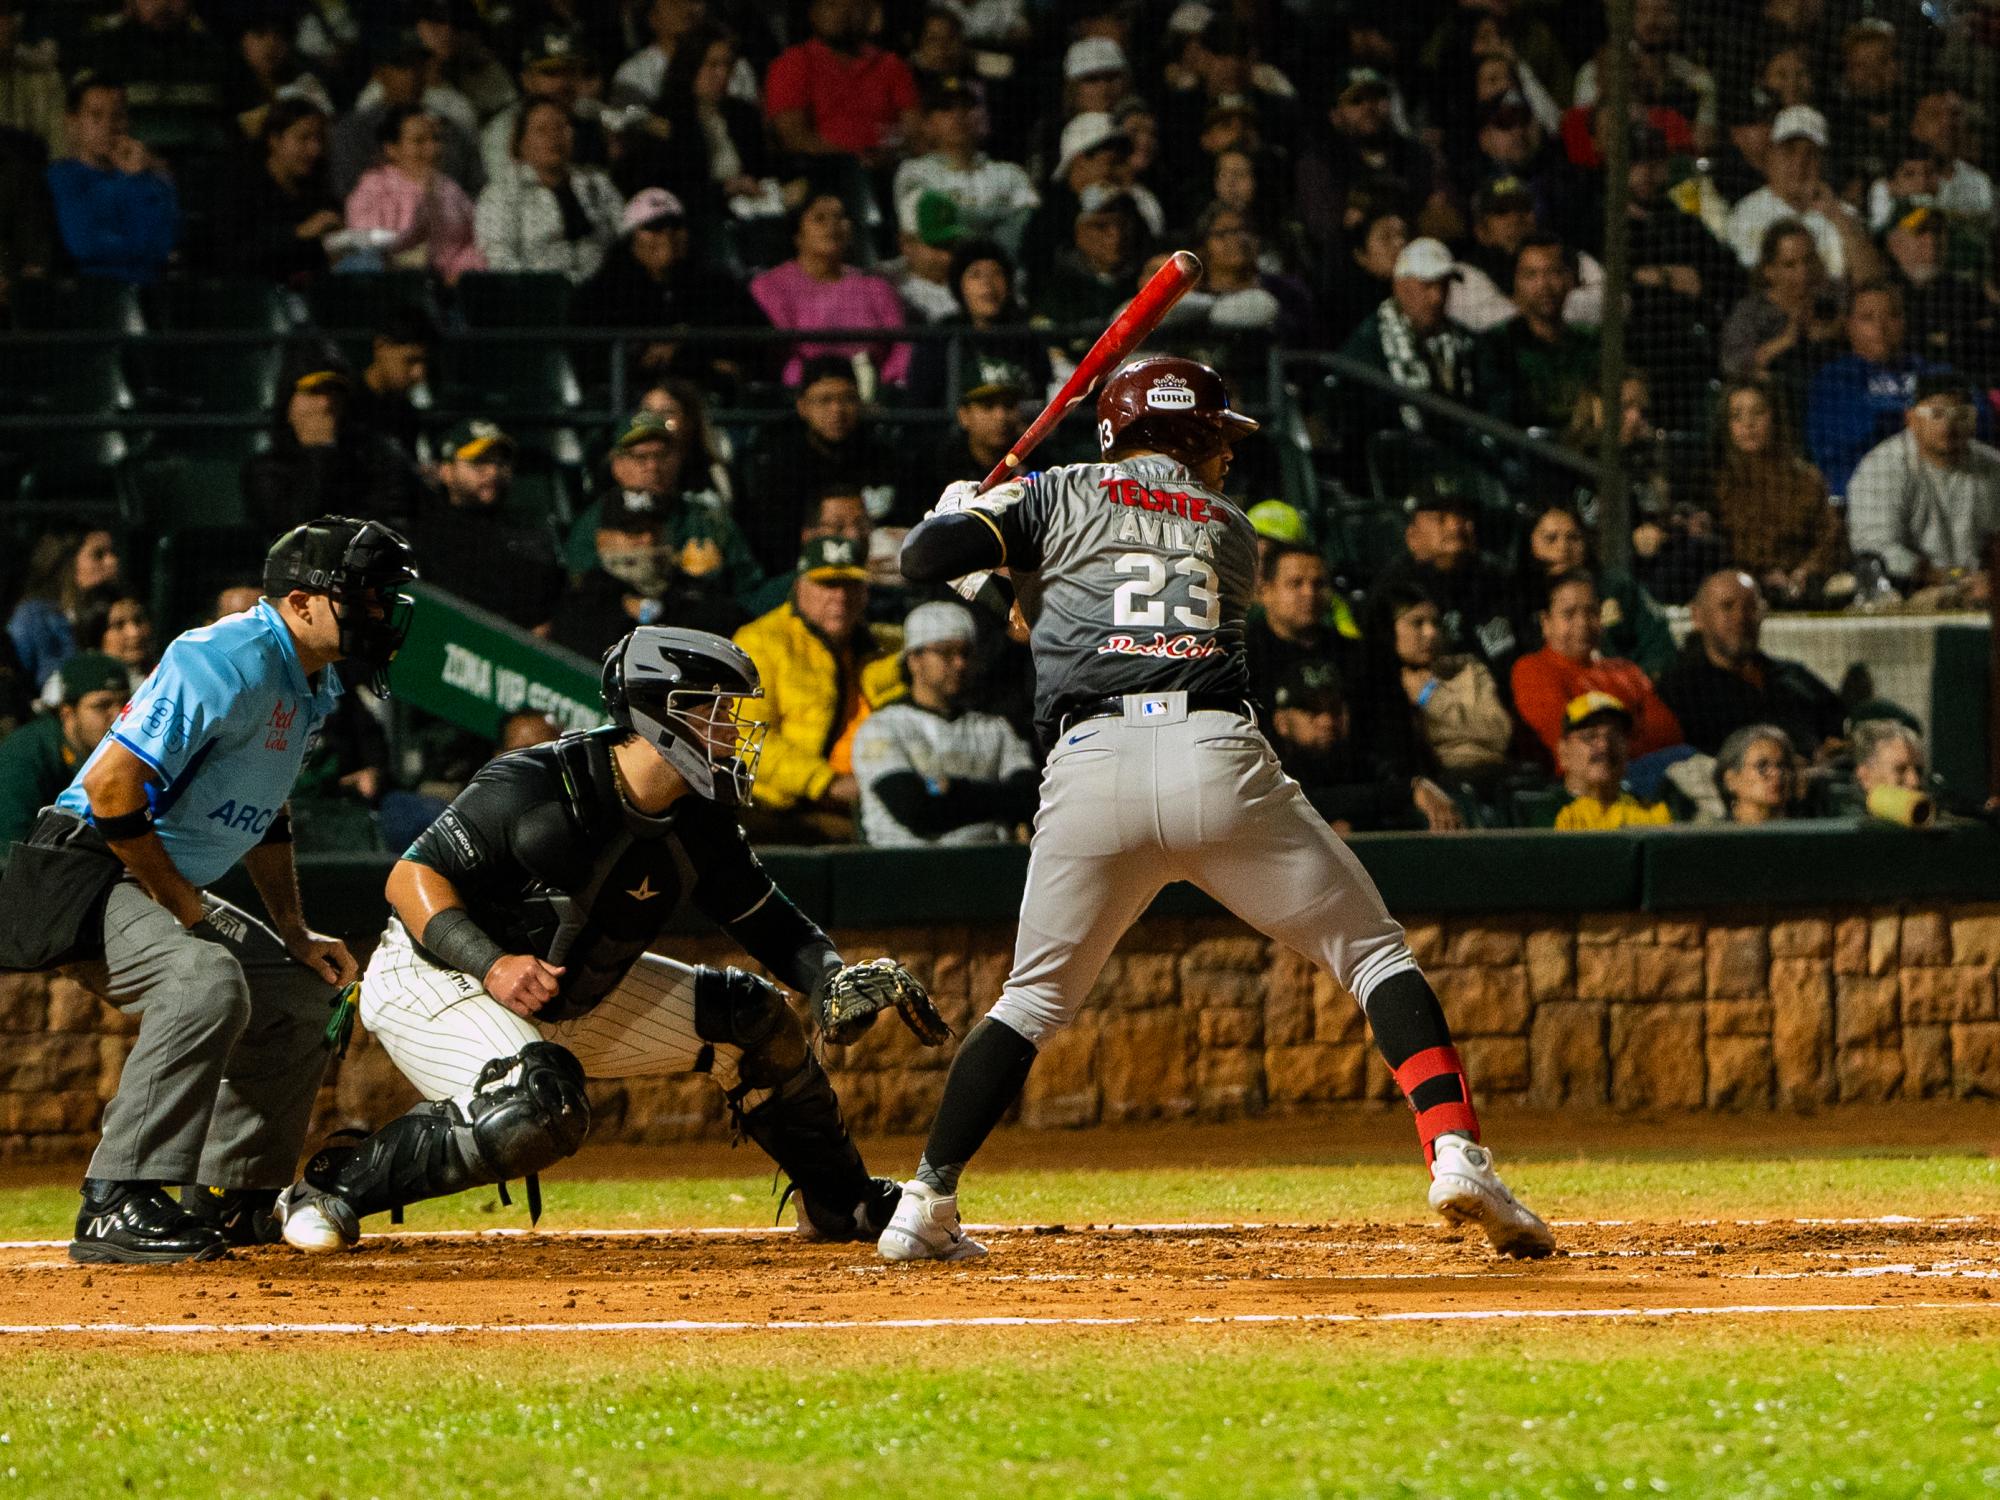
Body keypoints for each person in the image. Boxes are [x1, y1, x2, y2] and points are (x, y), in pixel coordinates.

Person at [876, 353, 1553, 1263]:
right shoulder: (1229, 529)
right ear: (1184, 438)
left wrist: (966, 514)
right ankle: (1456, 1153)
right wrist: (993, 530)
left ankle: (924, 1203)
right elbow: (1061, 599)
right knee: (1373, 953)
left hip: (1090, 771)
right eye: (1214, 437)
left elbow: (949, 575)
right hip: (1215, 759)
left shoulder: (1055, 492)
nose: (1225, 458)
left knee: (1031, 999)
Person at [272, 628, 928, 1253]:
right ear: (661, 716)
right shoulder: (535, 783)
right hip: (439, 977)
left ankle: (840, 1199)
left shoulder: (701, 817)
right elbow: (410, 879)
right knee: (539, 1110)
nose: (732, 732)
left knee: (754, 1017)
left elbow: (769, 922)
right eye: (718, 713)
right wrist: (493, 963)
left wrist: (829, 978)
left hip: (565, 994)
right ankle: (327, 1188)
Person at [0, 518, 416, 1263]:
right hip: (83, 866)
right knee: (203, 980)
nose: (380, 612)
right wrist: (186, 911)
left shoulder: (311, 681)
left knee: (300, 995)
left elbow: (267, 811)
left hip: (147, 873)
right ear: (301, 600)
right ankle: (117, 1200)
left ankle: (231, 1195)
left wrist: (293, 928)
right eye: (364, 596)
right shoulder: (225, 657)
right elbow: (111, 788)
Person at [732, 536, 904, 842]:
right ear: (799, 587)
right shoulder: (759, 642)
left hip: (873, 798)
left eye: (850, 585)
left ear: (866, 592)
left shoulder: (887, 648)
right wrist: (827, 783)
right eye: (827, 584)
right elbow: (744, 738)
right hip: (779, 806)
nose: (840, 597)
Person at [853, 601, 1037, 847]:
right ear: (914, 659)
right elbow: (915, 811)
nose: (960, 663)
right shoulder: (882, 727)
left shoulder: (995, 728)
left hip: (987, 868)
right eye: (945, 652)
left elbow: (1029, 798)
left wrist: (952, 788)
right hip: (903, 869)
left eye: (966, 653)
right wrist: (996, 797)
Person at [568, 185, 768, 395]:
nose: (667, 235)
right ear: (631, 238)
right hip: (633, 404)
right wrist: (699, 358)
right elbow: (597, 363)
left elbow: (757, 337)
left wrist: (684, 344)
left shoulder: (717, 285)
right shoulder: (599, 293)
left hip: (708, 400)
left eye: (675, 225)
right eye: (654, 227)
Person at [1654, 569, 1846, 758]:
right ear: (1698, 617)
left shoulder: (1792, 675)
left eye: (1750, 607)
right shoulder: (1681, 690)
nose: (1740, 617)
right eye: (1727, 607)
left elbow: (1839, 724)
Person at [744, 356, 905, 575]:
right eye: (824, 400)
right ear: (802, 406)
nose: (837, 410)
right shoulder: (779, 464)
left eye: (847, 399)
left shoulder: (882, 457)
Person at [1846, 375, 2000, 597]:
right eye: (1936, 414)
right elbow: (1875, 548)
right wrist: (1953, 577)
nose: (1948, 425)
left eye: (1961, 415)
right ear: (1911, 419)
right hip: (1905, 592)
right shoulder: (1882, 466)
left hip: (1981, 591)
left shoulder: (1993, 466)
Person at [408, 420, 565, 634]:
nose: (492, 472)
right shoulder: (426, 535)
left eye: (501, 463)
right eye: (478, 462)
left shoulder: (527, 533)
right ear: (446, 470)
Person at [1510, 570, 1683, 762]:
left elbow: (1670, 734)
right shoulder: (1533, 669)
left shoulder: (1624, 670)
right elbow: (1568, 743)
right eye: (1569, 614)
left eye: (1591, 612)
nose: (1583, 623)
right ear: (1546, 622)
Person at [1357, 583, 1512, 798]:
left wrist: (1430, 696)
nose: (1431, 633)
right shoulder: (1371, 683)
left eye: (1435, 623)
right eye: (1417, 623)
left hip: (1482, 781)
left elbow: (1499, 734)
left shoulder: (1467, 669)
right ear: (1386, 629)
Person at [241, 361, 424, 535]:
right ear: (288, 404)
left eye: (334, 392)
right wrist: (319, 450)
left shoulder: (373, 458)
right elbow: (298, 533)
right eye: (314, 392)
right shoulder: (264, 470)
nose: (325, 403)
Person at [749, 193, 910, 389]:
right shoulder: (770, 286)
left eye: (840, 217)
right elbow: (782, 353)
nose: (832, 225)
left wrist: (886, 385)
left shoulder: (876, 286)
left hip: (874, 391)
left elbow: (902, 347)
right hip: (805, 390)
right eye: (820, 218)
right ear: (797, 235)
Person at [1805, 282, 1947, 499]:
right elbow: (1849, 437)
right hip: (1862, 494)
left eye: (1891, 316)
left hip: (1931, 490)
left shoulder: (1929, 372)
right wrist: (1919, 418)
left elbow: (1975, 414)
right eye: (1867, 318)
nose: (1880, 327)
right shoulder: (1834, 379)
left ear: (1903, 322)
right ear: (1849, 325)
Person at [1371, 477, 1520, 680]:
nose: (1455, 527)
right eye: (1440, 518)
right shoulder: (1395, 589)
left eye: (1463, 516)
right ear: (1412, 536)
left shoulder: (1497, 579)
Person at [1712, 380, 1845, 606]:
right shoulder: (1716, 484)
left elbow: (1830, 538)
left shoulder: (1807, 479)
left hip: (1805, 589)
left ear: (1775, 418)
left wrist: (1806, 570)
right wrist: (1760, 577)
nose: (1748, 424)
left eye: (1758, 413)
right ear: (1726, 426)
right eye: (1737, 416)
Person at [1337, 236, 1480, 443]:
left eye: (1444, 285)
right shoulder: (1369, 345)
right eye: (1427, 285)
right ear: (1400, 287)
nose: (1437, 297)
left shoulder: (1465, 342)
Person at [1512, 503, 1674, 680]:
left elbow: (1658, 647)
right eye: (1551, 539)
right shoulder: (1515, 599)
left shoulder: (1616, 587)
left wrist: (1637, 684)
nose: (1563, 548)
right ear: (1530, 544)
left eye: (1573, 538)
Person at [1723, 105, 1880, 286]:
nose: (1800, 164)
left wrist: (1836, 215)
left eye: (1811, 154)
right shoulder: (1746, 213)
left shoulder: (1844, 215)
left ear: (1823, 162)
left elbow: (1872, 283)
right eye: (1789, 151)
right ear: (1772, 156)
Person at [44, 74, 178, 284]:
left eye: (117, 116)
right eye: (96, 116)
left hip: (149, 292)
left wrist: (137, 178)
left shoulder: (149, 178)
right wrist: (139, 249)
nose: (108, 126)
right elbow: (85, 246)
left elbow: (163, 246)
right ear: (74, 123)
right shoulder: (61, 177)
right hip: (91, 293)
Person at [474, 96, 623, 282]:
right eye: (542, 130)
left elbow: (623, 238)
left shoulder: (597, 184)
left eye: (561, 127)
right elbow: (498, 258)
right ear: (521, 143)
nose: (554, 137)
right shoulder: (500, 194)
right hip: (538, 296)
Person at [0, 652, 127, 857]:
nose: (119, 715)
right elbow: (10, 847)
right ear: (68, 713)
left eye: (125, 703)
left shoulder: (120, 755)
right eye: (102, 706)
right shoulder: (26, 754)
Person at [764, 0, 918, 170]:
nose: (841, 13)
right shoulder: (792, 64)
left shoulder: (890, 64)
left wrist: (890, 154)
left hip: (894, 167)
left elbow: (914, 129)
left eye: (850, 6)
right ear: (813, 13)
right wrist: (854, 159)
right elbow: (793, 137)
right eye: (831, 5)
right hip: (824, 172)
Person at [892, 74, 1037, 251]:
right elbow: (927, 230)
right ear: (927, 125)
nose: (958, 115)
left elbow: (1030, 225)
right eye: (946, 108)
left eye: (967, 107)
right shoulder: (913, 173)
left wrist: (959, 216)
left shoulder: (1010, 173)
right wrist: (999, 218)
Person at [342, 103, 485, 282]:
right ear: (391, 149)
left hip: (447, 288)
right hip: (391, 286)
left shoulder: (448, 188)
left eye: (435, 139)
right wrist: (418, 204)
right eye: (419, 141)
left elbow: (472, 241)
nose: (432, 149)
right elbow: (367, 244)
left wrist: (463, 273)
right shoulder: (371, 189)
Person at [213, 95, 343, 284]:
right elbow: (233, 255)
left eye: (319, 139)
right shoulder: (242, 187)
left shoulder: (316, 189)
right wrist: (298, 233)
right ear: (274, 140)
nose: (315, 149)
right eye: (304, 138)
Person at [1478, 235, 1598, 431]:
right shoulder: (1496, 345)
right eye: (1531, 275)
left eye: (1554, 272)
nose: (1544, 285)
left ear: (1570, 279)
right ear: (1516, 282)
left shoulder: (1591, 341)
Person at [7, 529, 121, 690]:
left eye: (112, 552)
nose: (112, 561)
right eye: (98, 555)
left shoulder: (116, 607)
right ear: (68, 561)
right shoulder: (34, 616)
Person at [1243, 543, 1342, 721]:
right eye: (1295, 583)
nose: (1309, 593)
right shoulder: (1241, 662)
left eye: (1319, 584)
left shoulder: (1354, 656)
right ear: (1265, 592)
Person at [1551, 691, 1673, 831]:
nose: (1604, 745)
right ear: (1563, 751)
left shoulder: (1654, 813)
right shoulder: (1541, 813)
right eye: (1590, 736)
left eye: (1615, 736)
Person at [344, 307, 434, 461]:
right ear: (381, 347)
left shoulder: (406, 414)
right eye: (410, 361)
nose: (418, 373)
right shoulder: (342, 403)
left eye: (424, 363)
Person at [1714, 723, 1795, 825]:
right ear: (1731, 780)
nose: (1776, 773)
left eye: (1782, 765)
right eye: (1762, 766)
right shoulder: (1713, 837)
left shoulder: (1804, 835)